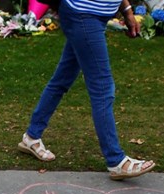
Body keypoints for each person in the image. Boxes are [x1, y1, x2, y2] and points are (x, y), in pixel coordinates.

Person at [18, 0, 154, 180]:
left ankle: (31, 136)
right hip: (83, 15)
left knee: (62, 79)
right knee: (102, 88)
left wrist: (127, 11)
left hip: (91, 16)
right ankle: (116, 161)